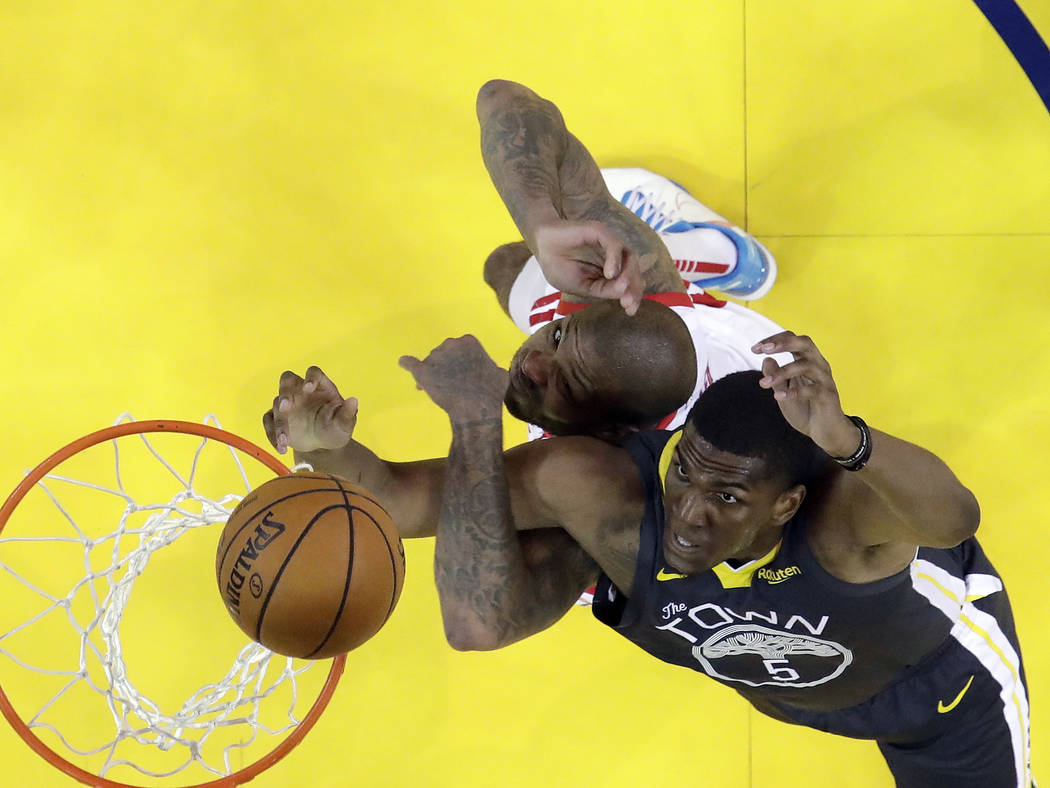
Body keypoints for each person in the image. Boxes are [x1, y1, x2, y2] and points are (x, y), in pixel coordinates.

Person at [263, 329, 1032, 788]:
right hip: (793, 690)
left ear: (785, 506)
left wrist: (847, 440)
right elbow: (405, 513)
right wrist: (335, 449)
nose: (690, 514)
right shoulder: (598, 488)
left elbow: (953, 516)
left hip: (939, 696)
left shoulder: (840, 519)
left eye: (728, 500)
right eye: (685, 472)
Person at [471, 79, 787, 444]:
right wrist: (541, 226)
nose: (532, 364)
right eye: (559, 334)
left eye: (569, 386)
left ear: (616, 434)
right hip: (723, 341)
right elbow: (502, 99)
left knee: (503, 266)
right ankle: (729, 254)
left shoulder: (601, 485)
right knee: (620, 260)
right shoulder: (621, 343)